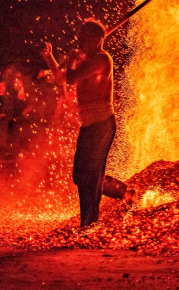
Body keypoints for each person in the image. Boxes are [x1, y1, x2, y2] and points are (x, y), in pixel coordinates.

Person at [41, 19, 134, 226]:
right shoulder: (87, 59)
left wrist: (73, 59)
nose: (79, 40)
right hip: (90, 126)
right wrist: (50, 58)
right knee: (81, 175)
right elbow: (61, 77)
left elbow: (71, 78)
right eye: (79, 36)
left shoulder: (102, 59)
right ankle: (126, 193)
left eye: (84, 37)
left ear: (98, 40)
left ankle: (89, 223)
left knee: (89, 177)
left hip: (102, 125)